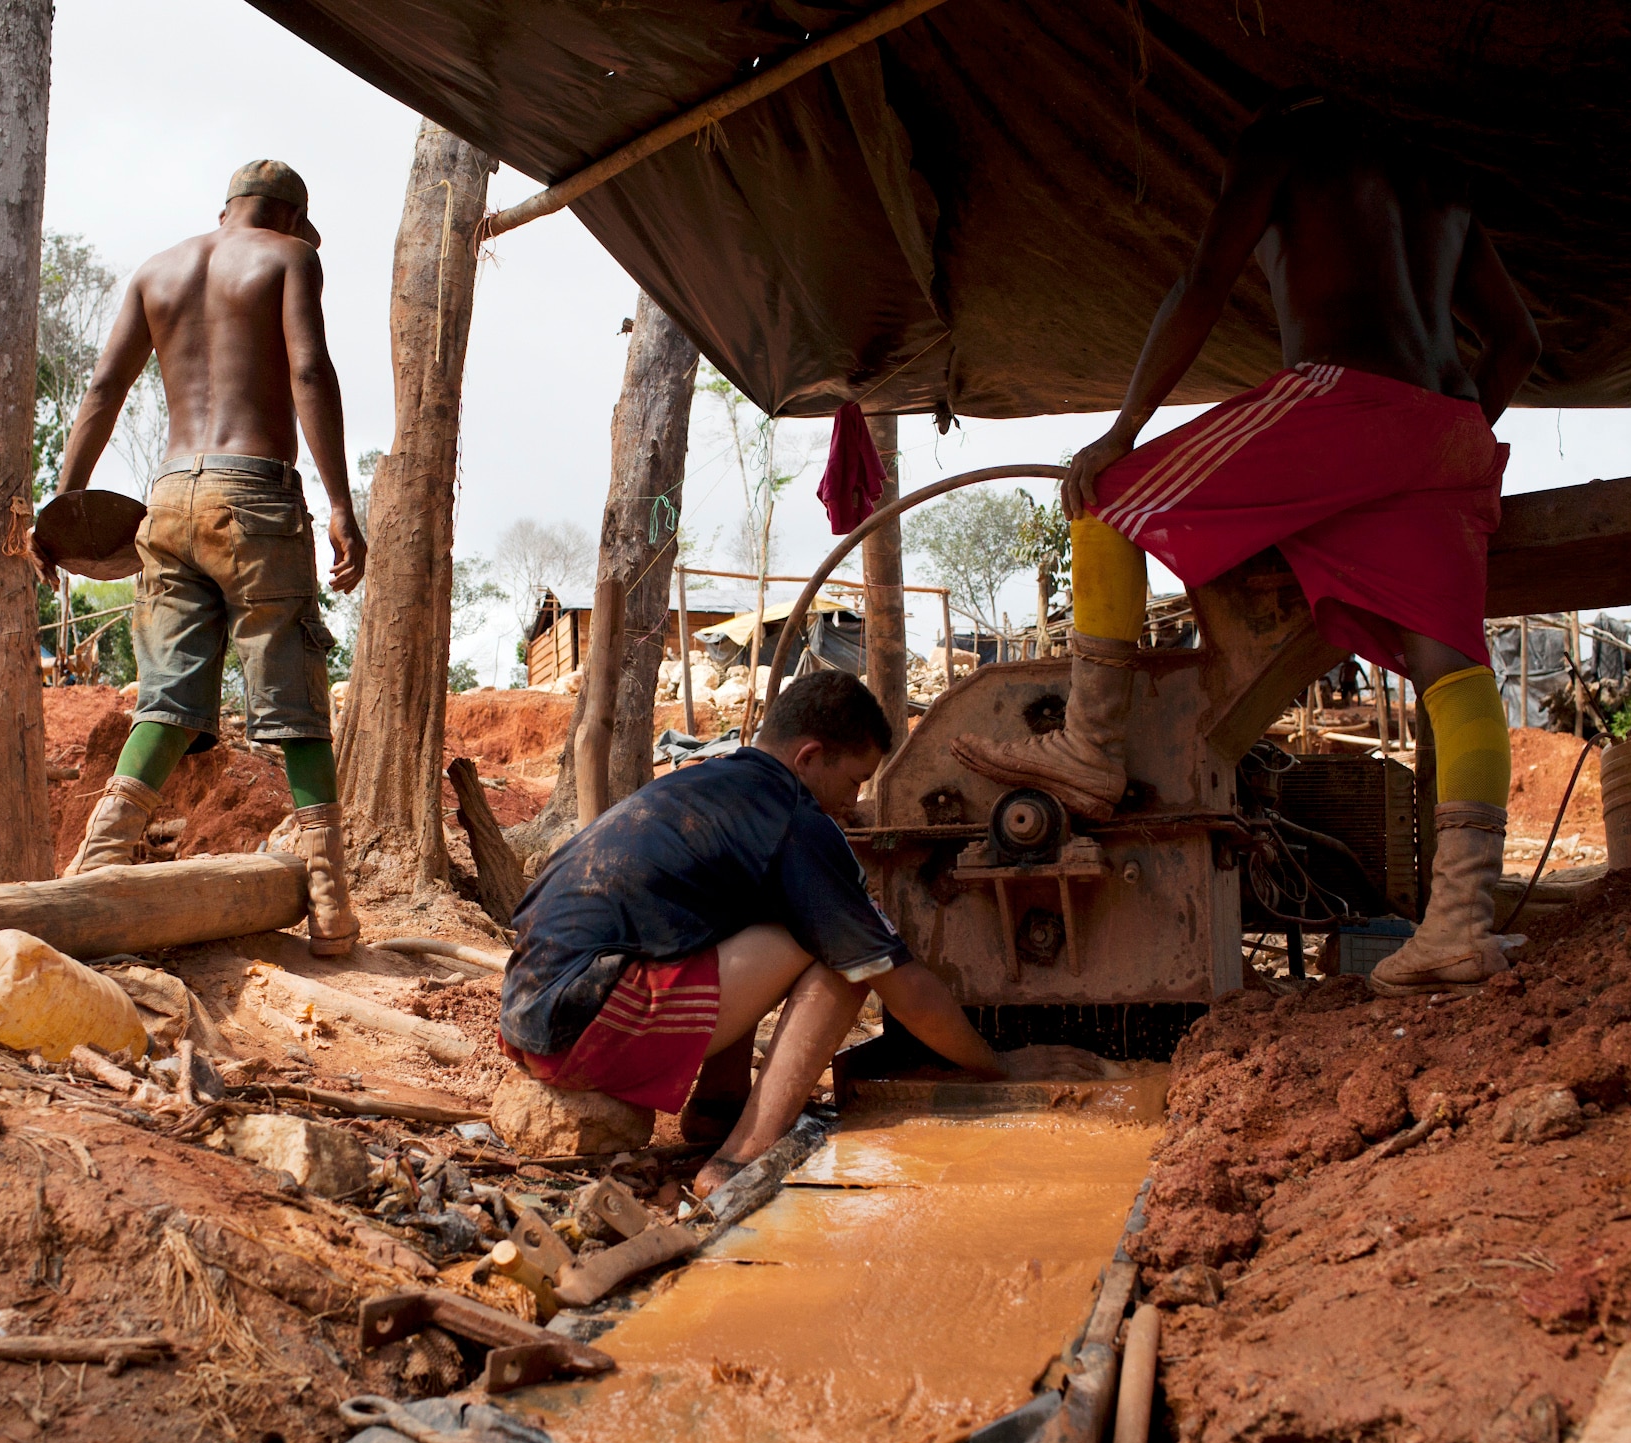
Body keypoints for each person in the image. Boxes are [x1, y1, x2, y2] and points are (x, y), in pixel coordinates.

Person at [951, 93, 1541, 999]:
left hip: (1344, 399)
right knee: (1455, 676)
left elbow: (1200, 284)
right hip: (1452, 426)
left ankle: (1090, 747)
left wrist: (1124, 427)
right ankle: (1459, 927)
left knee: (1105, 500)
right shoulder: (1442, 175)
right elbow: (1517, 339)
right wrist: (1428, 445)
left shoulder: (1283, 139)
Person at [499, 670, 1102, 1196]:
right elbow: (900, 985)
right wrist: (998, 1066)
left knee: (754, 917)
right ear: (809, 757)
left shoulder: (711, 785)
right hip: (586, 1028)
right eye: (855, 780)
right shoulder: (790, 816)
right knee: (848, 961)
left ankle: (717, 1115)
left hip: (530, 1015)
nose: (855, 800)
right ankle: (741, 1158)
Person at [34, 161, 368, 954]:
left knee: (168, 700)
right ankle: (329, 904)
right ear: (289, 217)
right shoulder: (288, 259)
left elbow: (102, 391)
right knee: (290, 685)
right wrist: (342, 506)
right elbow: (309, 370)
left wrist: (62, 509)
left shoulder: (156, 269)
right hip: (253, 494)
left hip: (168, 502)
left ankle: (95, 868)